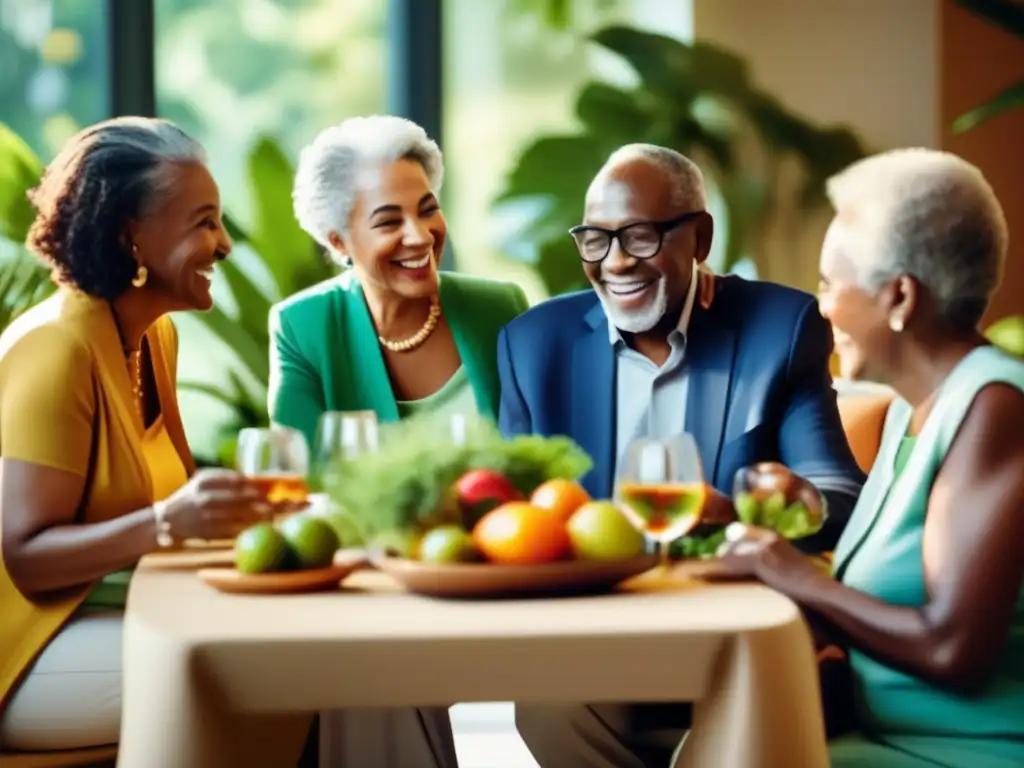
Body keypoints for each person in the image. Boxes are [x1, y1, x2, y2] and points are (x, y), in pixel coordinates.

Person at [500, 144, 865, 766]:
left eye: (641, 238)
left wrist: (758, 508)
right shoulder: (536, 345)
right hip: (594, 631)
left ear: (699, 237)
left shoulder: (781, 325)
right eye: (595, 239)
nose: (616, 262)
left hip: (727, 625)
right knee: (546, 704)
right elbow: (514, 513)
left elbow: (838, 491)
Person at [717, 149, 1024, 767]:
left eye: (831, 284)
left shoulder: (994, 409)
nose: (821, 306)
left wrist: (795, 574)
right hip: (883, 740)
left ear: (900, 296)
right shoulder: (911, 412)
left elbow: (951, 649)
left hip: (963, 755)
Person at [0, 118, 279, 753]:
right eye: (203, 222)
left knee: (305, 649)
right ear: (131, 236)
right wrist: (168, 522)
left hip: (110, 619)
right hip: (26, 647)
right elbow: (25, 557)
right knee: (256, 674)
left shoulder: (154, 336)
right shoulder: (56, 350)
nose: (225, 244)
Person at [270, 115, 534, 768]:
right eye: (388, 222)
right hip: (384, 580)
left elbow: (538, 455)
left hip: (508, 568)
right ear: (338, 240)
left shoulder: (499, 306)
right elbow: (302, 484)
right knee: (370, 658)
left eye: (428, 210)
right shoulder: (303, 326)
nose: (420, 237)